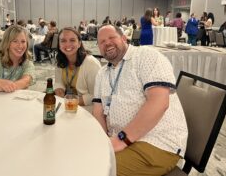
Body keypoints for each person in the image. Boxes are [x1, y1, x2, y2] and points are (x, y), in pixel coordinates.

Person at [93, 24, 188, 176]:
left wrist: (121, 140)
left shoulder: (146, 56)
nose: (107, 43)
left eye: (112, 38)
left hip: (156, 142)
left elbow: (159, 102)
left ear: (124, 38)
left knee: (95, 170)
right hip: (118, 139)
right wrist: (104, 141)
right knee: (82, 156)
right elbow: (98, 111)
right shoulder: (102, 73)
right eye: (102, 42)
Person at [54, 27, 101, 112]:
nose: (67, 44)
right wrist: (59, 90)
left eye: (72, 40)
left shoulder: (91, 63)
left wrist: (72, 102)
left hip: (88, 109)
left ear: (79, 43)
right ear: (59, 44)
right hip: (67, 105)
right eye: (63, 41)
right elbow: (58, 82)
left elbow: (96, 94)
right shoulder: (59, 60)